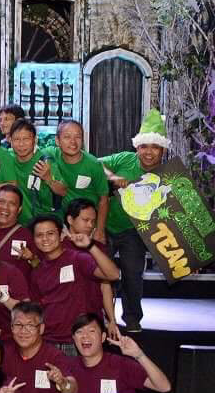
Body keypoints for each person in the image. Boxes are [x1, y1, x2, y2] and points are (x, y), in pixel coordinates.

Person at [100, 109, 168, 332]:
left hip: (136, 232)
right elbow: (94, 163)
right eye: (144, 146)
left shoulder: (170, 176)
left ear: (163, 150)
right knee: (100, 272)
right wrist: (112, 177)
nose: (149, 152)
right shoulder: (124, 159)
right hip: (106, 225)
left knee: (133, 274)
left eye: (155, 147)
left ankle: (132, 318)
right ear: (136, 147)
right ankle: (99, 317)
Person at [28, 214, 120, 354]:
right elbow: (36, 310)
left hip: (79, 342)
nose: (45, 239)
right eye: (39, 235)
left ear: (61, 236)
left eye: (50, 233)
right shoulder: (37, 271)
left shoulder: (78, 259)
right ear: (34, 240)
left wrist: (90, 246)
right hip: (48, 341)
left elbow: (113, 274)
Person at [43, 120, 109, 239]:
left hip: (88, 224)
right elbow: (35, 151)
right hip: (64, 222)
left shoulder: (93, 165)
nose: (73, 142)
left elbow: (103, 200)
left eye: (78, 137)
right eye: (67, 137)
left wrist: (100, 231)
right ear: (57, 140)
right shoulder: (51, 154)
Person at [64, 199, 118, 337]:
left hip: (93, 317)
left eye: (93, 221)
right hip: (63, 319)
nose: (90, 225)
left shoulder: (98, 248)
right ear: (70, 219)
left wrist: (112, 320)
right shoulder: (58, 247)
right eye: (85, 220)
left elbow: (106, 286)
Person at [6, 119, 56, 225]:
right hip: (14, 224)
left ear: (35, 140)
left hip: (41, 223)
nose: (21, 144)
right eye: (16, 139)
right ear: (10, 141)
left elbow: (63, 191)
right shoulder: (7, 158)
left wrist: (49, 179)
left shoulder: (44, 161)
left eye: (26, 139)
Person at [0, 184, 37, 280]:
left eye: (12, 204)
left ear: (19, 209)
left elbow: (43, 269)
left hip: (16, 289)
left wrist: (31, 258)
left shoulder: (28, 236)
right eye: (1, 201)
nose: (5, 207)